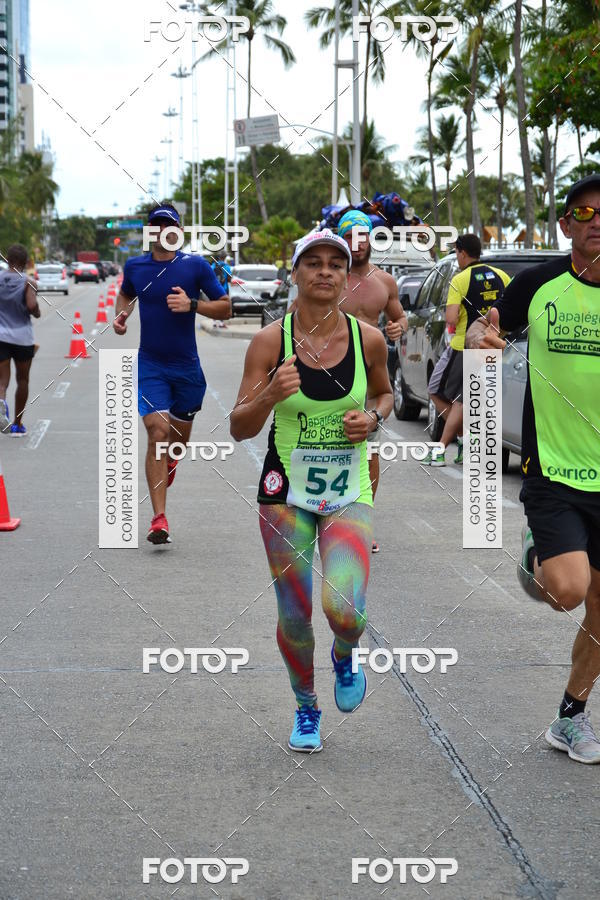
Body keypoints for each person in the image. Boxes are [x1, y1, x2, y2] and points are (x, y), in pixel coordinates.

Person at [230, 229, 393, 752]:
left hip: (349, 487)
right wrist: (269, 395)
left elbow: (387, 395)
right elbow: (238, 426)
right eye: (313, 263)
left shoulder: (368, 338)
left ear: (346, 277)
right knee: (295, 613)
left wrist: (371, 418)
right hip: (283, 492)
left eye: (335, 264)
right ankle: (306, 707)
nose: (325, 271)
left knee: (344, 608)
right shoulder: (267, 342)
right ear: (295, 274)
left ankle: (346, 654)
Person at [466, 174, 600, 764]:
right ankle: (539, 558)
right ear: (568, 223)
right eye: (586, 211)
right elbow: (480, 330)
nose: (598, 221)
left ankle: (570, 719)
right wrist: (480, 338)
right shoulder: (538, 284)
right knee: (570, 591)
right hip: (556, 471)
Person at [113, 203, 230, 544]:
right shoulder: (135, 266)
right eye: (156, 225)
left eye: (169, 226)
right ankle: (159, 519)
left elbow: (226, 307)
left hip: (187, 370)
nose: (162, 231)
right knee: (157, 431)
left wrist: (192, 305)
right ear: (149, 231)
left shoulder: (194, 266)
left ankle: (171, 464)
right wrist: (120, 317)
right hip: (151, 364)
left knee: (175, 443)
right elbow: (124, 296)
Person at [336, 209, 408, 553]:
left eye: (362, 236)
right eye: (349, 237)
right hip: (331, 373)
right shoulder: (331, 278)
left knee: (368, 449)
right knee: (328, 445)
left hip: (371, 372)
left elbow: (399, 318)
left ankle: (361, 522)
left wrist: (397, 328)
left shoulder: (385, 282)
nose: (356, 243)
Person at [424, 233, 510, 466]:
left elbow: (451, 318)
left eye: (456, 252)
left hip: (465, 345)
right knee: (465, 399)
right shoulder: (502, 276)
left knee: (437, 390)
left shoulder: (460, 279)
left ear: (462, 253)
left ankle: (442, 449)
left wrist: (462, 314)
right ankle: (462, 442)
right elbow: (512, 311)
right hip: (495, 346)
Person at [0, 244, 40, 436]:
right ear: (25, 263)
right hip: (22, 337)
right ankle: (17, 424)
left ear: (7, 260)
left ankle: (1, 403)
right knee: (22, 379)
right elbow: (32, 306)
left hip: (1, 336)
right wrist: (37, 311)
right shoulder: (28, 281)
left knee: (2, 380)